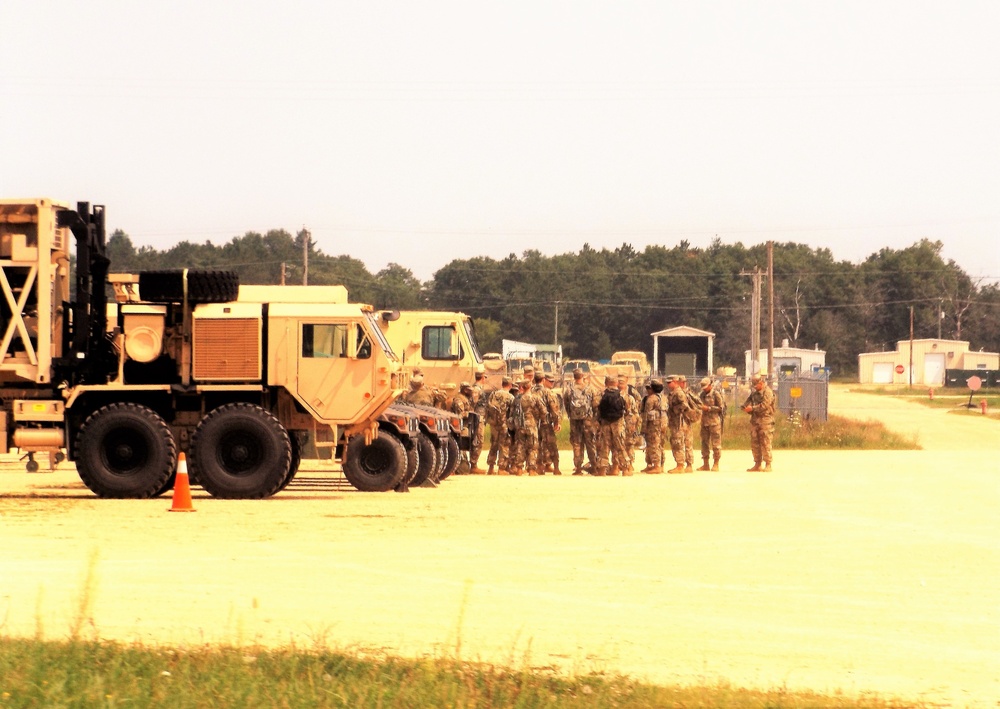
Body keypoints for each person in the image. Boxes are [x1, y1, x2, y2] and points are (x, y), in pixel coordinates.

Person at [509, 379, 545, 475]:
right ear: (529, 386)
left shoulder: (517, 398)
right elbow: (543, 411)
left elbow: (512, 412)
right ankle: (532, 469)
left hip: (520, 425)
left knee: (520, 446)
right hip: (531, 424)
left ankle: (519, 468)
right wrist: (541, 419)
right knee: (532, 446)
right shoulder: (534, 397)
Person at [565, 368, 597, 475]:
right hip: (588, 420)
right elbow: (595, 404)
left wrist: (570, 414)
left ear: (574, 376)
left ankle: (578, 468)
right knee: (590, 442)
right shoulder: (589, 389)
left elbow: (566, 403)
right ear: (583, 376)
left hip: (574, 420)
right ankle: (594, 466)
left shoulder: (569, 389)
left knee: (577, 443)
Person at [596, 375, 629, 476]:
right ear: (616, 383)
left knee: (604, 447)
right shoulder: (622, 395)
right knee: (620, 447)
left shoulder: (601, 394)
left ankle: (602, 470)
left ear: (606, 383)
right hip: (618, 424)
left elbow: (596, 407)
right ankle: (626, 469)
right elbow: (627, 409)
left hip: (605, 423)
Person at [743, 374, 776, 471]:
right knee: (755, 443)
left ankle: (768, 464)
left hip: (765, 421)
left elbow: (765, 405)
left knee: (765, 442)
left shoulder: (768, 392)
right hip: (755, 420)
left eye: (756, 385)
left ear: (761, 383)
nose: (755, 387)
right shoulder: (754, 393)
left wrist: (752, 408)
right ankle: (757, 464)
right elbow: (747, 402)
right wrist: (745, 408)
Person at [485, 377, 514, 475]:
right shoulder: (510, 397)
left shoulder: (494, 394)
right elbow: (512, 412)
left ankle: (491, 467)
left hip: (493, 424)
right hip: (503, 424)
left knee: (493, 444)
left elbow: (488, 407)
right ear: (510, 385)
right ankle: (502, 468)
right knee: (504, 445)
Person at [665, 375, 692, 473]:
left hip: (678, 422)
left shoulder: (679, 393)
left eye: (670, 382)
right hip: (675, 421)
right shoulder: (673, 393)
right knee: (678, 442)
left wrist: (674, 411)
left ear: (675, 382)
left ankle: (680, 466)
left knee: (678, 442)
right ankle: (681, 464)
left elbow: (684, 405)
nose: (668, 385)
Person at [537, 373, 562, 474]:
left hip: (535, 423)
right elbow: (554, 408)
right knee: (552, 445)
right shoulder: (548, 392)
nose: (552, 383)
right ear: (543, 380)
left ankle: (540, 467)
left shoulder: (531, 390)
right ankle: (555, 468)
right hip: (545, 423)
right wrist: (557, 422)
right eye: (550, 381)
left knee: (537, 445)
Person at [698, 377, 725, 471]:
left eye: (706, 387)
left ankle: (716, 463)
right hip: (704, 422)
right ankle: (705, 464)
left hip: (714, 423)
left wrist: (709, 408)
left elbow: (721, 408)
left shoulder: (716, 394)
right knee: (704, 443)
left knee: (716, 444)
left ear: (710, 385)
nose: (704, 389)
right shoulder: (701, 395)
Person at [469, 368, 492, 473]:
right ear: (482, 378)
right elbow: (473, 404)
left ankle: (474, 464)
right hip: (477, 418)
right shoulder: (476, 389)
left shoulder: (478, 388)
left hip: (480, 417)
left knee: (479, 440)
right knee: (478, 440)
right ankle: (473, 465)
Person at [450, 382, 475, 473]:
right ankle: (457, 469)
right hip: (459, 427)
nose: (471, 392)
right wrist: (469, 414)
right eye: (469, 390)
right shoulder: (459, 399)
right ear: (465, 390)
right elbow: (459, 414)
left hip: (464, 426)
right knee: (460, 448)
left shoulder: (466, 398)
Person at [641, 379, 664, 473]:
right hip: (660, 424)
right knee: (657, 444)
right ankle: (653, 464)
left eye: (648, 388)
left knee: (653, 444)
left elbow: (646, 415)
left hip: (652, 426)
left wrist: (643, 429)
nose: (647, 390)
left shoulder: (651, 399)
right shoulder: (661, 397)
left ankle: (656, 466)